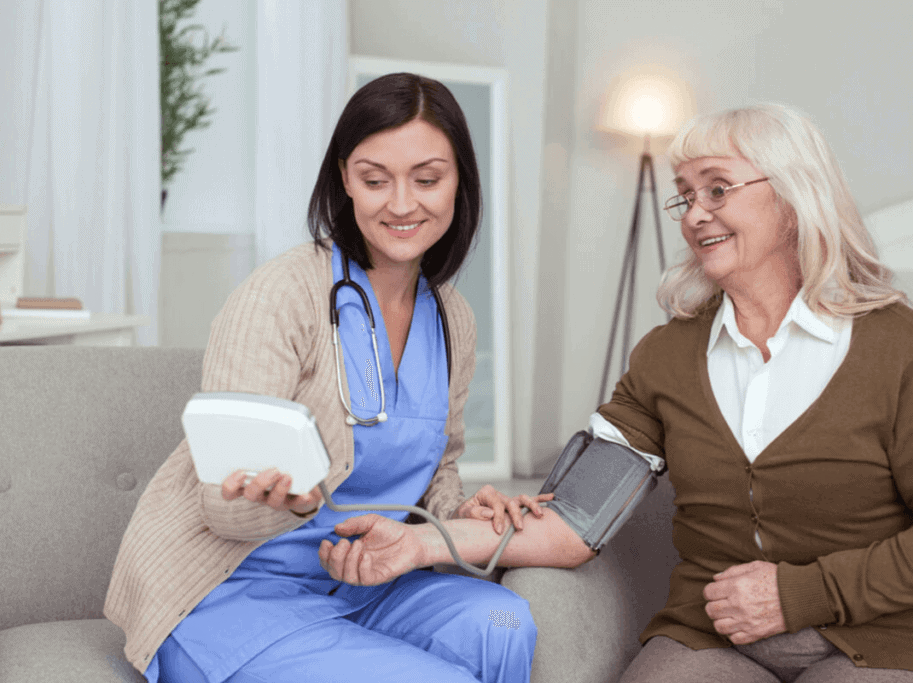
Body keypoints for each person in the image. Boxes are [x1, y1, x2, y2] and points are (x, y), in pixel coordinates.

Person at [104, 72, 593, 683]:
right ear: (344, 180)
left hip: (369, 584)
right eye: (375, 179)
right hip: (235, 593)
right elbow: (221, 505)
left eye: (427, 179)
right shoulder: (280, 296)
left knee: (505, 622)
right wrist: (286, 503)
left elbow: (436, 471)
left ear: (460, 181)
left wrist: (465, 510)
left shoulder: (452, 319)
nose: (402, 204)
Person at [599, 104, 913, 683]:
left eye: (717, 189)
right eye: (685, 196)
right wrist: (492, 521)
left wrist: (800, 593)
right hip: (716, 635)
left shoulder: (898, 344)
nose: (694, 215)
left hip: (889, 638)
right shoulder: (665, 354)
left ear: (793, 198)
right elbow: (578, 508)